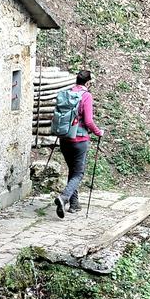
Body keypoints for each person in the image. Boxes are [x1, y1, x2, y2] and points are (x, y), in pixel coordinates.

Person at [54, 69, 103, 217]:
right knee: (78, 173)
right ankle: (63, 198)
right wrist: (98, 132)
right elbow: (88, 121)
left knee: (72, 171)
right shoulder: (86, 96)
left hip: (64, 138)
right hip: (79, 140)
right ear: (87, 82)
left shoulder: (67, 93)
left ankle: (74, 204)